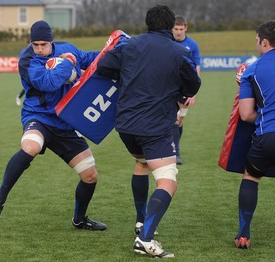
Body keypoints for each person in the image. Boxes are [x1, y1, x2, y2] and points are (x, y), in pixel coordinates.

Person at [96, 5, 201, 258]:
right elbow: (193, 85)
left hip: (125, 126)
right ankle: (145, 238)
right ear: (169, 26)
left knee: (141, 164)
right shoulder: (179, 51)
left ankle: (141, 220)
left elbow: (103, 67)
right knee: (168, 181)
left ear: (148, 23)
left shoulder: (129, 46)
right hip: (155, 126)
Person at [0, 20, 107, 231]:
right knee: (31, 147)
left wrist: (114, 50)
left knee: (90, 175)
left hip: (64, 122)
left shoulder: (67, 49)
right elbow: (47, 83)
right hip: (38, 117)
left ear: (52, 41)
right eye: (35, 44)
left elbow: (89, 59)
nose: (39, 49)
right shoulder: (27, 59)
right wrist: (68, 64)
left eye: (43, 45)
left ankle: (80, 219)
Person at [235, 20, 275, 249]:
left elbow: (245, 114)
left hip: (271, 136)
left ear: (264, 42)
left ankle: (243, 236)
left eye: (257, 41)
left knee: (251, 176)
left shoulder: (252, 69)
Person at [172, 15, 202, 164]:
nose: (178, 32)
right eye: (175, 29)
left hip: (185, 89)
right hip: (169, 87)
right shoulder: (168, 42)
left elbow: (196, 68)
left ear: (186, 28)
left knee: (179, 121)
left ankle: (174, 149)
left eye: (180, 29)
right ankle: (175, 152)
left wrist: (193, 92)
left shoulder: (192, 45)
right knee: (173, 121)